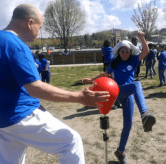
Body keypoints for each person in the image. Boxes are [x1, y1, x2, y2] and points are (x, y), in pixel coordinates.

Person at [0, 4, 110, 164]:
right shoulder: (16, 46)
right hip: (20, 114)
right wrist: (79, 97)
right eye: (39, 27)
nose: (39, 32)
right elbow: (35, 88)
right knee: (71, 143)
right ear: (30, 23)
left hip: (3, 120)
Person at [82, 31, 156, 164]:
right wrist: (90, 80)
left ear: (130, 52)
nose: (125, 54)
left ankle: (120, 151)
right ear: (118, 52)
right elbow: (104, 74)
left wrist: (142, 38)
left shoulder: (134, 60)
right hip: (118, 91)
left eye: (127, 51)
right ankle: (145, 113)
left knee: (128, 124)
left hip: (127, 95)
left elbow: (145, 51)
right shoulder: (114, 63)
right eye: (122, 51)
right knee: (137, 84)